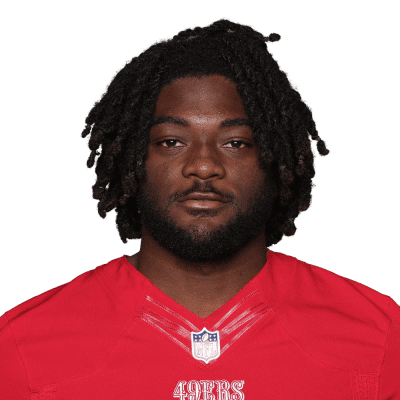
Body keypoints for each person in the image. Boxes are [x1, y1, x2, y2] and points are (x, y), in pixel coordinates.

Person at [1, 18, 399, 399]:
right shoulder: (22, 344)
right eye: (171, 141)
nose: (204, 166)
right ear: (131, 161)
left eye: (236, 142)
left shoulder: (379, 336)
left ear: (277, 160)